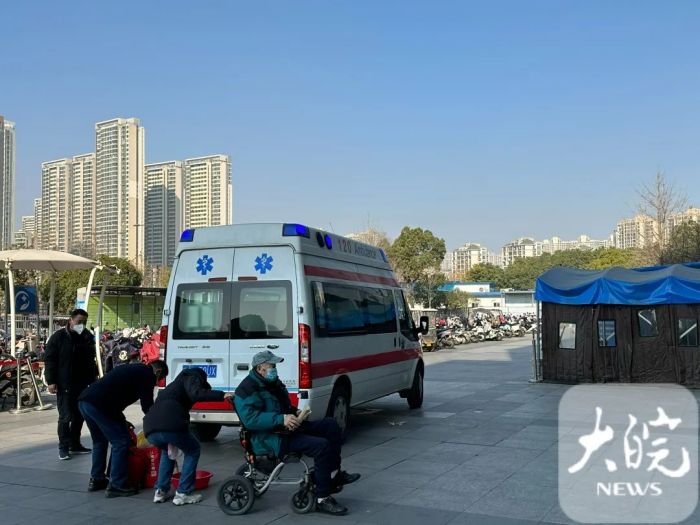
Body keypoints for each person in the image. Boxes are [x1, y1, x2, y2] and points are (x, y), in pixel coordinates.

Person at [234, 351, 360, 516]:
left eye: (275, 366)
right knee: (321, 446)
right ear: (260, 368)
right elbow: (250, 419)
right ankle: (322, 498)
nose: (274, 369)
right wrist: (281, 419)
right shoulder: (247, 390)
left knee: (331, 425)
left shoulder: (272, 383)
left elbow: (282, 407)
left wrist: (296, 412)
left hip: (286, 429)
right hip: (271, 438)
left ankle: (333, 474)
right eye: (271, 366)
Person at [78, 360, 168, 497]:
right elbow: (147, 406)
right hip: (100, 405)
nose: (157, 383)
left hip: (86, 401)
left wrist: (122, 421)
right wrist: (158, 423)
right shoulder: (147, 374)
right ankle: (116, 484)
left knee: (100, 441)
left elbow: (113, 394)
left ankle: (97, 479)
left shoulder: (135, 369)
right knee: (121, 442)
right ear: (158, 371)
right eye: (160, 379)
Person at [143, 367, 233, 506]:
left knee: (168, 452)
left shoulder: (172, 386)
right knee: (193, 450)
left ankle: (160, 491)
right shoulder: (191, 377)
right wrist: (222, 395)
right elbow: (197, 393)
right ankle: (183, 493)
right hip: (170, 425)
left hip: (150, 428)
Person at [44, 308, 98, 461]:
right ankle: (63, 447)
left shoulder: (87, 336)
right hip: (65, 383)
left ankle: (75, 444)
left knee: (79, 415)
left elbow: (91, 360)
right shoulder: (58, 337)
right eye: (79, 321)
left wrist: (93, 379)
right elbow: (50, 360)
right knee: (66, 416)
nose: (81, 325)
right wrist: (51, 381)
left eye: (84, 322)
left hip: (82, 383)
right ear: (71, 320)